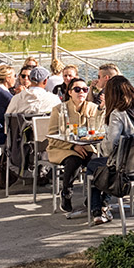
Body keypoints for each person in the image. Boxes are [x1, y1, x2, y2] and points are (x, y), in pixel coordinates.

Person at [86, 75, 134, 225]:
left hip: (124, 172)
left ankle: (96, 208)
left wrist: (98, 146)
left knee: (93, 166)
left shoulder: (118, 114)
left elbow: (109, 147)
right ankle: (101, 205)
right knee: (105, 167)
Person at [47, 77, 100, 213]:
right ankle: (66, 193)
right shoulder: (59, 109)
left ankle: (93, 198)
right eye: (77, 89)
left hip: (86, 146)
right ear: (70, 92)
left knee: (97, 163)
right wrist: (72, 146)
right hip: (62, 148)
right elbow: (52, 137)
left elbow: (96, 130)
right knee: (74, 160)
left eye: (84, 89)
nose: (81, 92)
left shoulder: (92, 108)